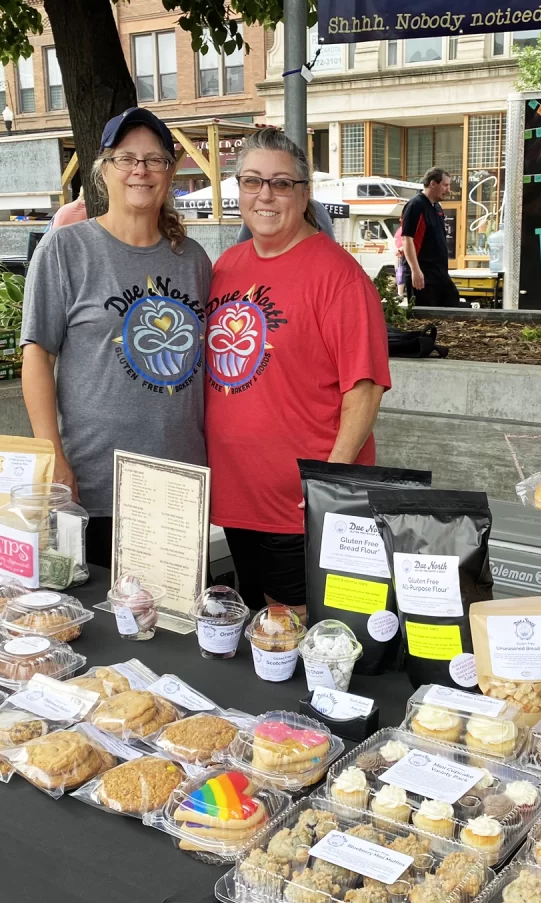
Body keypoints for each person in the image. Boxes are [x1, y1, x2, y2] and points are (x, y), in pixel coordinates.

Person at [205, 127, 390, 615]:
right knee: (254, 633)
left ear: (304, 194)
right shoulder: (226, 267)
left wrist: (323, 487)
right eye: (252, 181)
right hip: (237, 496)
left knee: (292, 635)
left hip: (299, 507)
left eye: (281, 183)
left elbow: (365, 389)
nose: (265, 194)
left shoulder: (338, 276)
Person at [20, 107, 211, 567]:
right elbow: (37, 356)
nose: (140, 170)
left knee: (171, 628)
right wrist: (53, 456)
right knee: (98, 626)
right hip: (94, 482)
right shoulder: (66, 249)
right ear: (104, 170)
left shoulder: (194, 260)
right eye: (126, 158)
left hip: (179, 481)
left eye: (153, 160)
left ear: (169, 172)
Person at [401, 167, 461, 308]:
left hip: (440, 274)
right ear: (433, 184)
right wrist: (415, 271)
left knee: (453, 304)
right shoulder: (415, 205)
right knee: (426, 317)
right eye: (445, 185)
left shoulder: (437, 207)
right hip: (422, 274)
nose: (448, 190)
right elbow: (407, 239)